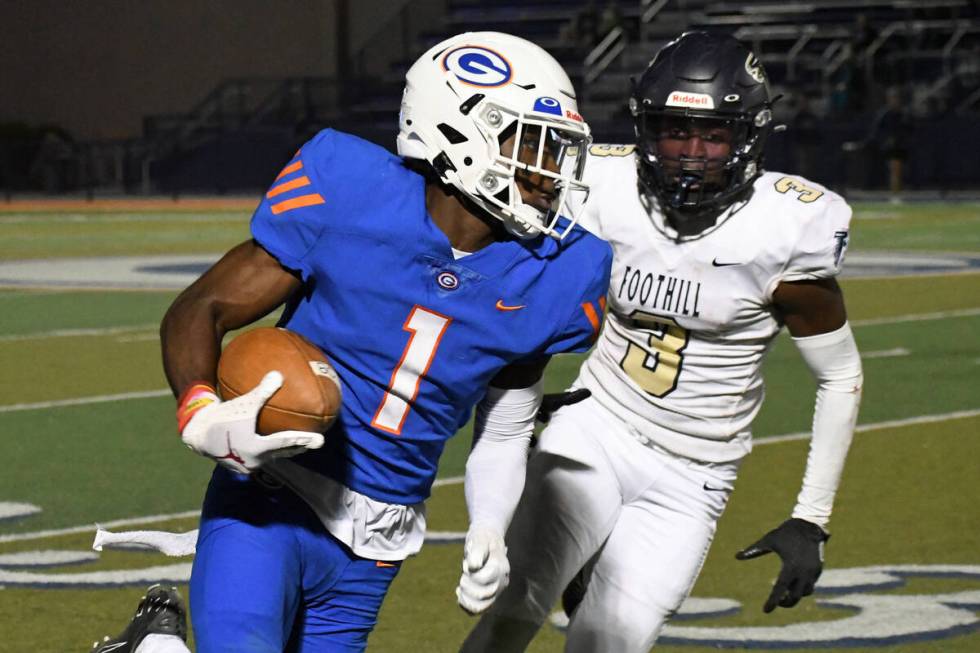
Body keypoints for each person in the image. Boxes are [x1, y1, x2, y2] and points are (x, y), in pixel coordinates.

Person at [92, 31, 611, 653]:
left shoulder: (558, 272)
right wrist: (200, 412)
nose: (549, 170)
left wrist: (491, 528)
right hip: (269, 497)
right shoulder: (350, 190)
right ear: (456, 133)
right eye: (530, 143)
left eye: (556, 149)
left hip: (379, 538)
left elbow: (502, 430)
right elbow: (201, 308)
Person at [461, 31, 863, 653]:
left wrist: (813, 516)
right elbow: (512, 281)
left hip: (696, 470)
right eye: (676, 131)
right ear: (646, 128)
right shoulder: (599, 183)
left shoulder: (789, 228)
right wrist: (519, 390)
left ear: (749, 136)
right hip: (595, 427)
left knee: (612, 641)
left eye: (713, 135)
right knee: (514, 609)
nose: (692, 154)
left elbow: (839, 376)